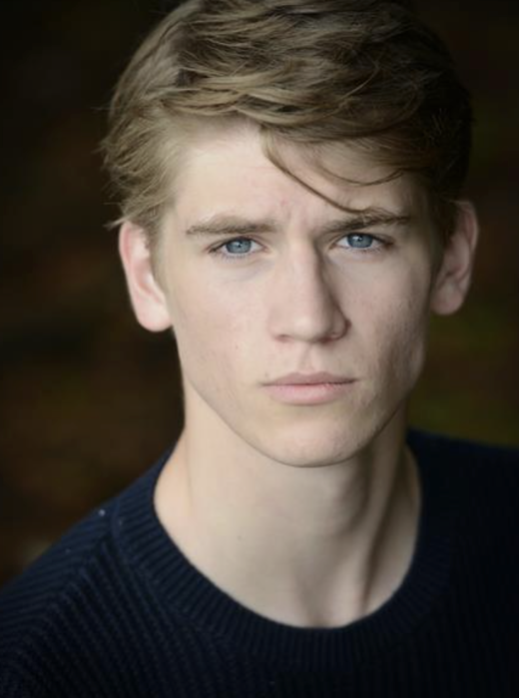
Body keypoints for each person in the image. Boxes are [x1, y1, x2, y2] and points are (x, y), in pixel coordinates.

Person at [1, 0, 518, 695]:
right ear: (147, 276)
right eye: (237, 245)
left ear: (452, 259)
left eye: (359, 238)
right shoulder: (36, 669)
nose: (308, 317)